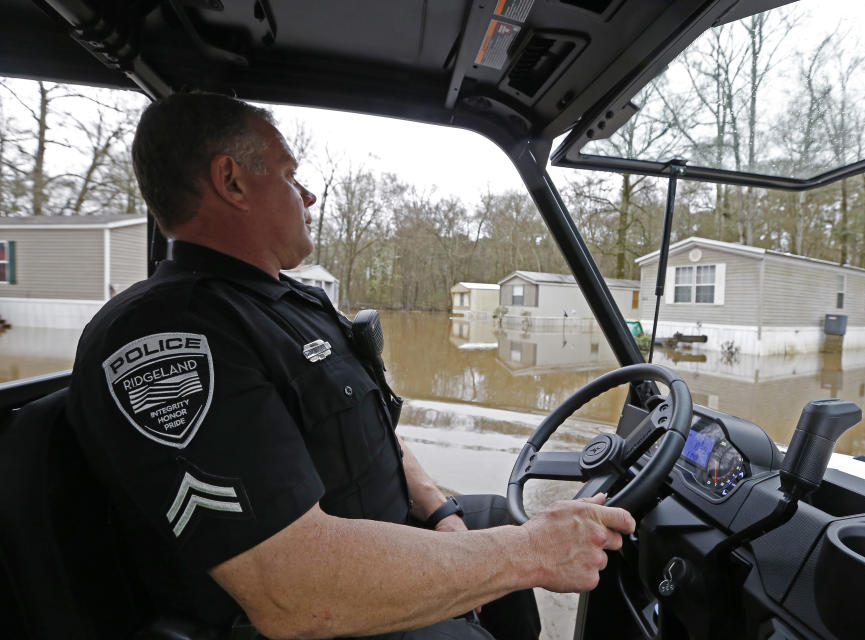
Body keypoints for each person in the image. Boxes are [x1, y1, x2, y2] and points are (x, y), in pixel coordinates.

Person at [67, 92, 635, 640]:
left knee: (504, 519)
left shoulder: (297, 304)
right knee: (521, 542)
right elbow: (291, 590)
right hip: (325, 613)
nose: (308, 196)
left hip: (384, 543)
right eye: (290, 176)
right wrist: (528, 553)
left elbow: (377, 432)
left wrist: (442, 513)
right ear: (232, 181)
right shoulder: (171, 336)